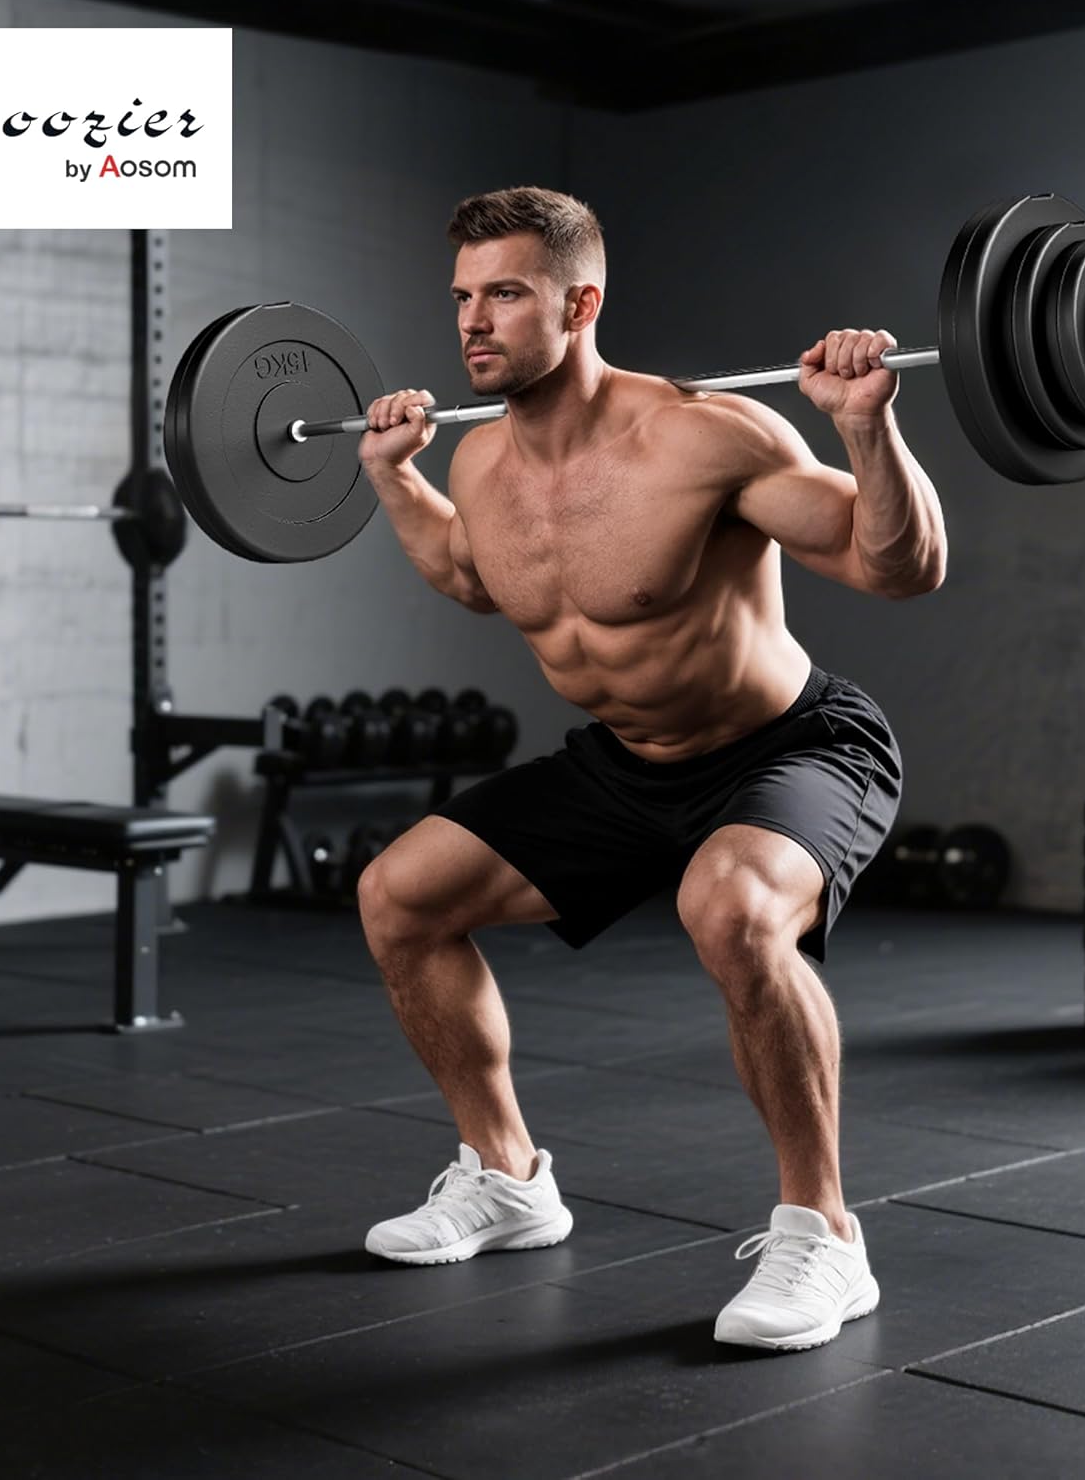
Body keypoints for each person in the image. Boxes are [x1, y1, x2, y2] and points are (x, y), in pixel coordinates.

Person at [355, 186, 945, 1353]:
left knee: (728, 907)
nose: (474, 323)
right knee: (400, 897)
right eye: (465, 298)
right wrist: (393, 480)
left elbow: (900, 568)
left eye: (506, 294)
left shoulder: (702, 436)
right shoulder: (477, 464)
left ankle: (824, 1237)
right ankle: (510, 1177)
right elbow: (476, 577)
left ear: (583, 302)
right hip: (629, 764)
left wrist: (867, 425)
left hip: (792, 746)